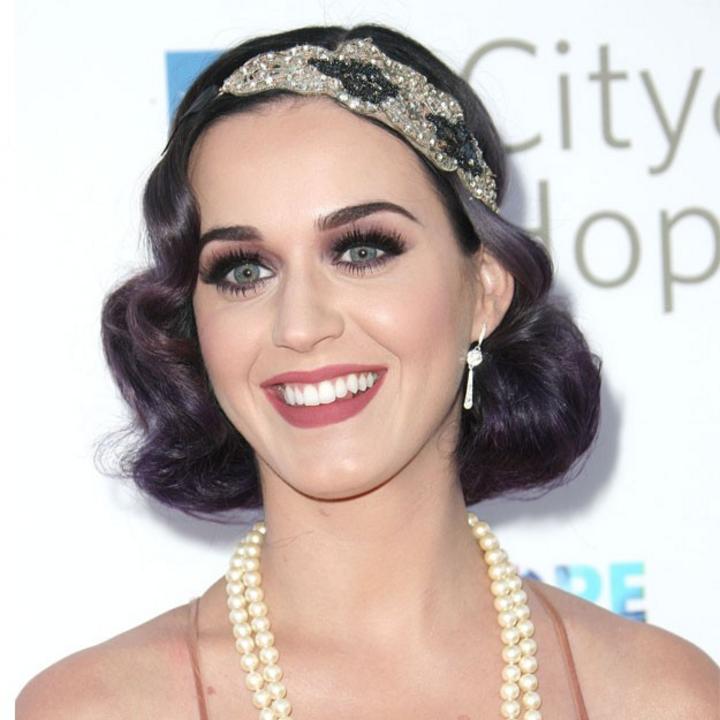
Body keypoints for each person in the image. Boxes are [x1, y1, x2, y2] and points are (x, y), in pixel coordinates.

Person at [17, 22, 718, 720]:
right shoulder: (92, 708)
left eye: (362, 251)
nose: (299, 326)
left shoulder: (660, 698)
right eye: (244, 269)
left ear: (484, 292)